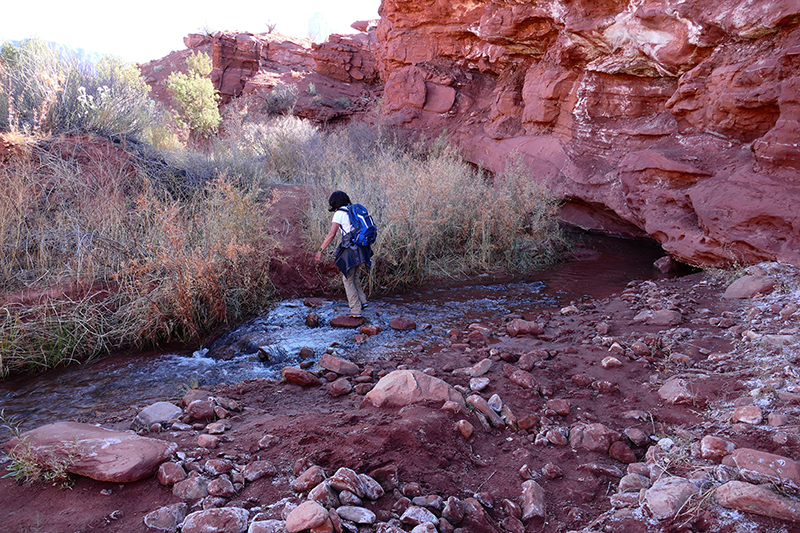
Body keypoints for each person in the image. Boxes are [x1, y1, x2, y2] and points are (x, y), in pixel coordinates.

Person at [315, 191, 373, 317]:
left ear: (334, 202)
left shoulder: (339, 214)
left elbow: (331, 234)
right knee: (354, 275)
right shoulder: (353, 210)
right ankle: (363, 302)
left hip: (351, 249)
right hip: (362, 247)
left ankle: (355, 310)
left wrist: (320, 251)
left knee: (347, 278)